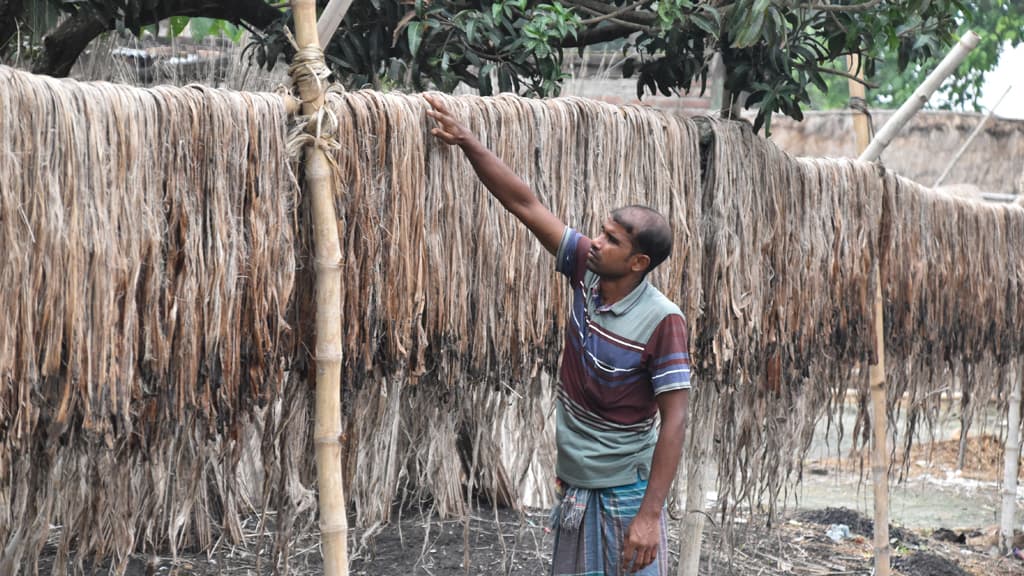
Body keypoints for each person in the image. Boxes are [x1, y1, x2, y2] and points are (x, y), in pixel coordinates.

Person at [424, 94, 691, 576]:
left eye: (612, 239)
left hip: (626, 494)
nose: (597, 242)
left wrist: (649, 517)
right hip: (576, 485)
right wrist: (465, 140)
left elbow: (675, 422)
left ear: (638, 263)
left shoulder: (662, 320)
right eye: (601, 231)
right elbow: (524, 203)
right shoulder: (587, 274)